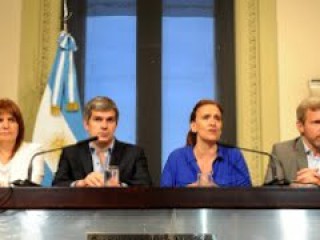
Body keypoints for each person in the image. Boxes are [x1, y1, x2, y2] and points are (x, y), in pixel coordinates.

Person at [52, 96, 152, 187]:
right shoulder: (71, 153)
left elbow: (145, 186)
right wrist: (81, 183)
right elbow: (57, 185)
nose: (104, 126)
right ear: (86, 124)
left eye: (110, 120)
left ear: (116, 124)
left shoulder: (134, 153)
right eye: (98, 119)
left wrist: (120, 186)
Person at [161, 99, 252, 187]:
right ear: (193, 126)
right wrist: (186, 194)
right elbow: (162, 199)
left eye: (217, 118)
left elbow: (248, 199)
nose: (213, 123)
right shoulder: (176, 158)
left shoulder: (234, 157)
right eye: (206, 117)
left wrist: (218, 193)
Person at [265, 96, 320, 185]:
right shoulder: (282, 152)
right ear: (300, 126)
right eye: (317, 122)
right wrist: (295, 188)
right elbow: (270, 194)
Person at [0, 98, 44, 186]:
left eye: (11, 120)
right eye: (0, 120)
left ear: (19, 126)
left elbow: (32, 186)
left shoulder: (34, 151)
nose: (5, 126)